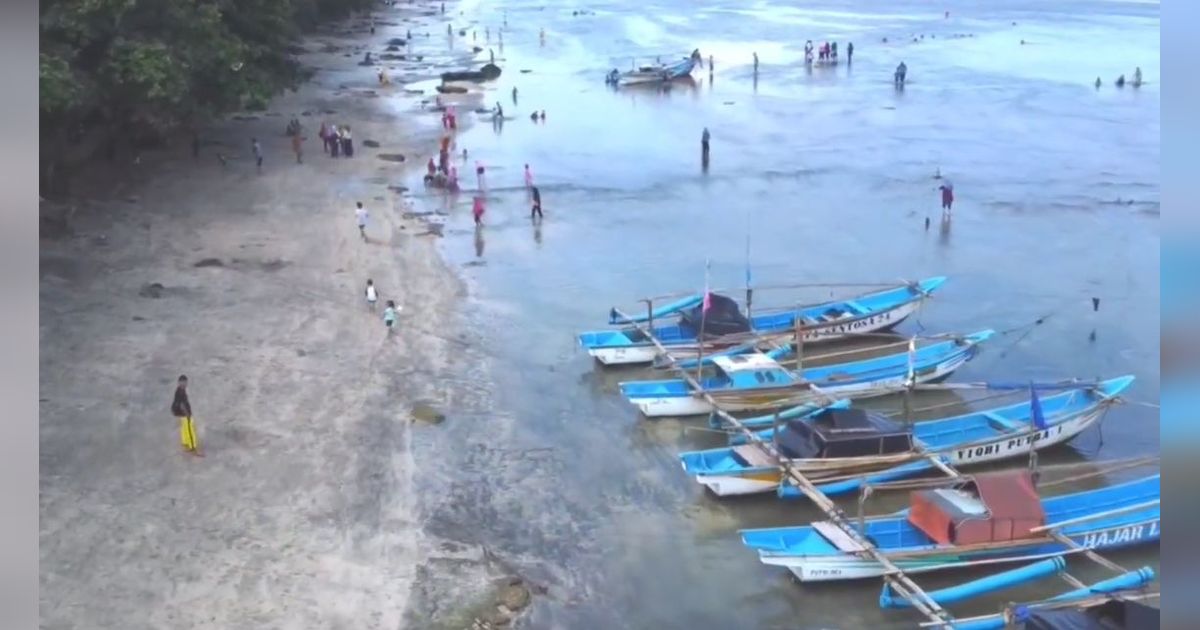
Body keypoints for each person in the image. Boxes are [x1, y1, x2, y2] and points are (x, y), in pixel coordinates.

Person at [171, 375, 200, 455]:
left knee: (185, 428)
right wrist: (187, 414)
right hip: (184, 413)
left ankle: (186, 443)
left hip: (181, 413)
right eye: (182, 382)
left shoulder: (180, 390)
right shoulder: (180, 392)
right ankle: (193, 448)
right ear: (179, 383)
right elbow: (181, 404)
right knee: (190, 429)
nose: (184, 384)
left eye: (185, 382)